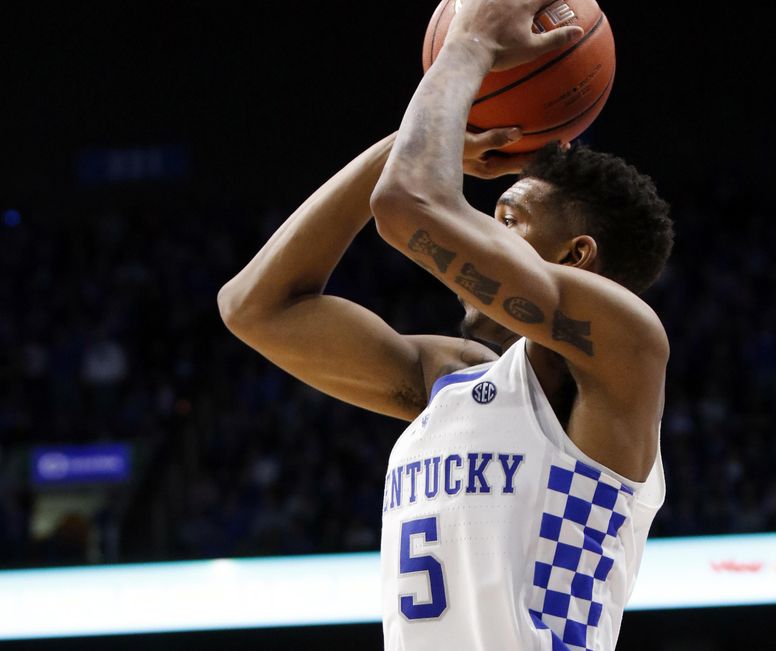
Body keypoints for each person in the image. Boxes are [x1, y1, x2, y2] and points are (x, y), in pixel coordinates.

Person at [218, 1, 673, 648]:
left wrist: (472, 45)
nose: (483, 228)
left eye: (509, 218)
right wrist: (402, 148)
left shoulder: (624, 347)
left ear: (576, 257)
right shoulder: (448, 377)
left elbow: (407, 208)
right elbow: (256, 307)